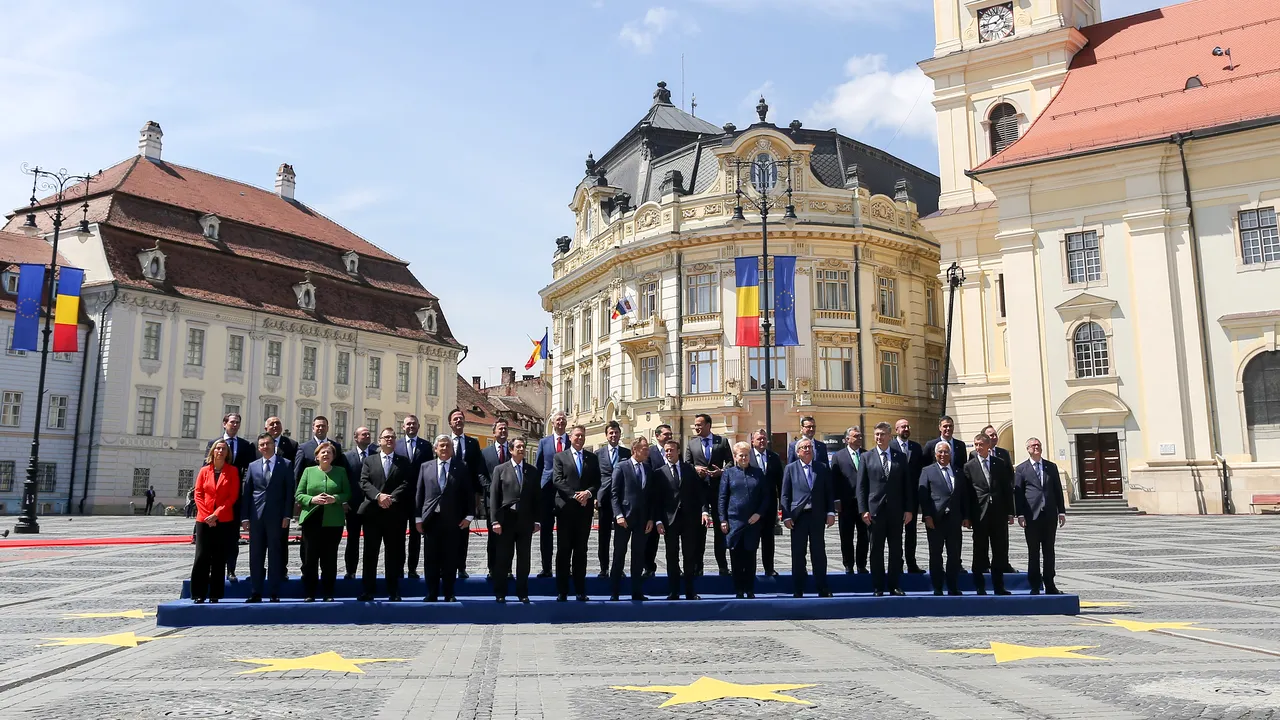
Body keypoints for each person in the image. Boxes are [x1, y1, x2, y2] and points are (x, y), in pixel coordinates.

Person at [416, 434, 475, 602]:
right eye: (441, 445)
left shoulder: (461, 467)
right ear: (435, 449)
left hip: (453, 520)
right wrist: (418, 519)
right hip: (431, 520)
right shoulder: (425, 467)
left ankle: (449, 593)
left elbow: (468, 494)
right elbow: (419, 495)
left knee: (450, 559)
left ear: (452, 449)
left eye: (447, 446)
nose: (444, 448)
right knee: (431, 559)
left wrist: (469, 516)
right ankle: (431, 593)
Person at [358, 428, 413, 602]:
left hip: (395, 513)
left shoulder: (403, 461)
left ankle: (393, 590)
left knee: (394, 554)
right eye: (386, 437)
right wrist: (378, 496)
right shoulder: (369, 460)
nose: (389, 440)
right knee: (370, 553)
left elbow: (406, 483)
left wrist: (391, 498)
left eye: (392, 437)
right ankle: (368, 590)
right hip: (373, 513)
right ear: (379, 440)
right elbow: (364, 482)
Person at [858, 422, 913, 597]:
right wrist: (863, 510)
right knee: (876, 550)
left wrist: (909, 509)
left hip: (896, 511)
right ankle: (878, 586)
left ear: (890, 436)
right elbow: (861, 487)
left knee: (896, 550)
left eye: (882, 434)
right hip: (875, 511)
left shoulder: (900, 457)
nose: (879, 437)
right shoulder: (867, 457)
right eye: (876, 434)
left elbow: (907, 485)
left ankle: (894, 585)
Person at [781, 437, 837, 598]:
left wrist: (831, 512)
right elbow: (785, 494)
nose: (807, 450)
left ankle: (822, 587)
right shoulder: (791, 468)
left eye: (809, 447)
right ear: (797, 452)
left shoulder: (822, 468)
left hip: (817, 516)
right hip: (798, 517)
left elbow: (829, 492)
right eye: (804, 448)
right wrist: (786, 516)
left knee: (818, 552)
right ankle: (798, 588)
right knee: (798, 554)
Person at [241, 433, 293, 603]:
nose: (265, 447)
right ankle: (255, 591)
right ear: (259, 447)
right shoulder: (253, 466)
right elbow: (247, 493)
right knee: (255, 555)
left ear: (274, 445)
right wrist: (245, 517)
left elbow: (289, 492)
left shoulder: (285, 464)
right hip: (256, 517)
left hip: (277, 517)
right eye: (262, 444)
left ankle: (273, 592)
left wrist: (287, 514)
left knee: (275, 555)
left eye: (268, 444)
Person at [296, 442, 350, 602]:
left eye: (329, 453)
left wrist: (336, 499)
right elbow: (299, 494)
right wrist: (312, 499)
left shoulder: (340, 472)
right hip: (311, 520)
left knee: (329, 558)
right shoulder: (308, 471)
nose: (326, 455)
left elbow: (347, 493)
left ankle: (328, 592)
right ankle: (310, 592)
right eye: (323, 453)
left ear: (333, 457)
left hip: (333, 521)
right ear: (317, 456)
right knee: (310, 558)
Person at [490, 437, 542, 603]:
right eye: (518, 447)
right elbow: (494, 497)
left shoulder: (532, 471)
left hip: (525, 520)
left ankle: (522, 592)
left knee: (524, 558)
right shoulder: (500, 469)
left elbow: (536, 497)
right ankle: (500, 593)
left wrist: (537, 520)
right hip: (506, 519)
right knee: (503, 557)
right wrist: (494, 521)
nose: (521, 449)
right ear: (511, 450)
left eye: (523, 447)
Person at [656, 439, 709, 600]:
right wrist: (658, 520)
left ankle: (690, 591)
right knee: (672, 556)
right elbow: (656, 500)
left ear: (678, 451)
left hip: (689, 519)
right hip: (669, 521)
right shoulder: (660, 472)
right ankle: (673, 591)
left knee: (689, 555)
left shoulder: (689, 469)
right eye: (666, 451)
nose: (669, 453)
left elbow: (699, 492)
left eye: (671, 450)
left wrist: (704, 511)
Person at [552, 424, 600, 602]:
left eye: (582, 436)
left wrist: (588, 493)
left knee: (581, 551)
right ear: (570, 437)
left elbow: (597, 481)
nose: (580, 438)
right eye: (577, 436)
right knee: (563, 551)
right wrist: (574, 496)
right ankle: (562, 591)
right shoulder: (560, 457)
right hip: (565, 509)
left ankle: (580, 590)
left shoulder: (591, 458)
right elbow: (557, 480)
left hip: (584, 511)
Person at [719, 442, 772, 599]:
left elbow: (766, 496)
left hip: (753, 522)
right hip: (734, 521)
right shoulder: (728, 473)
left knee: (750, 556)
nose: (743, 458)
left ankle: (750, 589)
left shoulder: (758, 473)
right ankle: (739, 590)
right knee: (736, 557)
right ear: (735, 457)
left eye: (746, 455)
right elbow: (722, 497)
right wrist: (723, 519)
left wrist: (759, 514)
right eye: (740, 455)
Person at [190, 439, 240, 604]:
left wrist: (217, 514)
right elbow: (198, 494)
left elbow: (232, 496)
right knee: (202, 556)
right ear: (212, 452)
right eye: (218, 448)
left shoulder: (232, 471)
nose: (220, 451)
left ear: (227, 453)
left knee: (219, 557)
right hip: (204, 520)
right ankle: (198, 593)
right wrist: (207, 516)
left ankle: (215, 594)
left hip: (224, 519)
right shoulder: (204, 471)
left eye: (224, 449)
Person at [965, 432, 1015, 595]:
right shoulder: (969, 466)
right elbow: (967, 493)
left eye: (981, 444)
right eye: (976, 444)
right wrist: (967, 516)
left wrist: (1010, 512)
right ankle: (979, 586)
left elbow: (1006, 488)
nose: (978, 448)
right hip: (979, 513)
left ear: (988, 446)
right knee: (980, 550)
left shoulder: (999, 463)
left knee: (999, 550)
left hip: (998, 514)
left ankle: (999, 586)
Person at [1014, 437, 1066, 595]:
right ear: (1028, 449)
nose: (1036, 447)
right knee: (1033, 552)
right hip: (1031, 515)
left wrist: (1061, 511)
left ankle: (1050, 583)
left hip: (1049, 515)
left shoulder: (1051, 466)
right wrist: (1020, 514)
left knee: (1049, 551)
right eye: (1033, 445)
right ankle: (1035, 585)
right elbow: (1018, 494)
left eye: (1038, 445)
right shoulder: (1021, 469)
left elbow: (1057, 489)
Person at [608, 436, 657, 601]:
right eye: (645, 448)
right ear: (635, 450)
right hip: (624, 519)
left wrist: (651, 518)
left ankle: (636, 591)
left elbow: (651, 497)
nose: (648, 451)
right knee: (619, 554)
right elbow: (614, 493)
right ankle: (614, 592)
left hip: (642, 520)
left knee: (638, 556)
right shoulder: (621, 467)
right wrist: (619, 515)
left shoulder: (648, 469)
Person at [685, 414, 732, 577]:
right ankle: (698, 566)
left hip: (719, 490)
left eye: (699, 424)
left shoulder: (722, 442)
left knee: (721, 530)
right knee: (699, 531)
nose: (696, 427)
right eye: (695, 425)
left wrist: (722, 472)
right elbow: (687, 465)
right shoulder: (692, 444)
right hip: (699, 492)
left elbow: (731, 462)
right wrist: (695, 470)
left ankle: (723, 566)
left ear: (708, 425)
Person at [918, 442, 968, 596]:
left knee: (954, 554)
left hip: (954, 520)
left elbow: (964, 497)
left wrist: (965, 516)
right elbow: (923, 495)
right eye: (940, 452)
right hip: (935, 519)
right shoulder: (927, 471)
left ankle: (952, 586)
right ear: (935, 454)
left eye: (946, 452)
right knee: (936, 554)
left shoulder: (958, 472)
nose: (943, 455)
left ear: (950, 454)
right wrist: (927, 516)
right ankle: (938, 587)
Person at [209, 413, 254, 583]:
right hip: (216, 499)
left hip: (235, 499)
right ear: (224, 424)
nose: (235, 425)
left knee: (232, 538)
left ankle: (231, 570)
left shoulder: (246, 446)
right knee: (214, 538)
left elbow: (249, 472)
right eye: (232, 422)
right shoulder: (214, 444)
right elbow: (208, 468)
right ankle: (214, 569)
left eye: (237, 423)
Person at [448, 409, 487, 580]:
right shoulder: (444, 442)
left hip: (467, 494)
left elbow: (478, 469)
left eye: (461, 419)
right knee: (447, 532)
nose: (458, 421)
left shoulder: (472, 443)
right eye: (455, 419)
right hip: (448, 494)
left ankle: (461, 567)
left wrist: (477, 494)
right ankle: (447, 566)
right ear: (450, 423)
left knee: (464, 532)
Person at [395, 415, 433, 580]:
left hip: (419, 497)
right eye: (408, 424)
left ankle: (412, 568)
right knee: (398, 535)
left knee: (416, 536)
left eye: (414, 424)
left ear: (418, 426)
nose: (411, 426)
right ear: (403, 427)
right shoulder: (396, 445)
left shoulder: (426, 446)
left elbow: (430, 471)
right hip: (400, 498)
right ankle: (398, 568)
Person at [535, 411, 569, 578]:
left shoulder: (571, 441)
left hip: (565, 492)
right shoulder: (544, 442)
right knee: (546, 532)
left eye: (563, 419)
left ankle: (565, 567)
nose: (560, 422)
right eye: (558, 420)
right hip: (546, 491)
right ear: (552, 423)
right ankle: (546, 567)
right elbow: (539, 466)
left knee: (566, 533)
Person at [830, 426, 868, 574]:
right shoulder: (838, 456)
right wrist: (836, 500)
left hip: (863, 503)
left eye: (859, 436)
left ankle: (861, 564)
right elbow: (834, 479)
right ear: (847, 439)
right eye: (855, 436)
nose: (859, 438)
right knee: (846, 535)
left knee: (864, 535)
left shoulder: (866, 454)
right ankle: (848, 564)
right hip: (846, 503)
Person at [594, 420, 630, 578]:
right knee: (604, 536)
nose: (614, 435)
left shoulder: (626, 453)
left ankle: (618, 567)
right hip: (604, 499)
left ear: (620, 434)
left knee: (620, 538)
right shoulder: (598, 454)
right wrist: (595, 496)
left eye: (616, 432)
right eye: (611, 433)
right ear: (606, 435)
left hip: (622, 500)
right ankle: (604, 568)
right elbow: (594, 478)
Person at [748, 430, 783, 577]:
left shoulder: (774, 457)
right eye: (759, 439)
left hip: (769, 506)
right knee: (752, 539)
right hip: (752, 506)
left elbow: (780, 482)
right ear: (752, 441)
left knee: (768, 538)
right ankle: (750, 570)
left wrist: (782, 504)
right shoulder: (746, 456)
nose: (762, 441)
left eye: (764, 439)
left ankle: (769, 568)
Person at [894, 419, 927, 575]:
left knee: (911, 532)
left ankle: (911, 563)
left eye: (908, 426)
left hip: (912, 497)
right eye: (902, 427)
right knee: (896, 533)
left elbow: (921, 471)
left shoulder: (916, 448)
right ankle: (897, 564)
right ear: (896, 430)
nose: (906, 429)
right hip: (895, 497)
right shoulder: (891, 446)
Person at [482, 419, 513, 580]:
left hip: (510, 502)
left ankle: (507, 568)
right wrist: (491, 489)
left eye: (505, 429)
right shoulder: (485, 453)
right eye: (500, 429)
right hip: (491, 502)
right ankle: (492, 568)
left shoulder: (513, 452)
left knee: (508, 537)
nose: (503, 431)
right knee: (493, 538)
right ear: (493, 433)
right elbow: (481, 474)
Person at [642, 424, 674, 576]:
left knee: (672, 537)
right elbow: (648, 474)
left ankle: (674, 567)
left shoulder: (674, 452)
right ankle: (649, 567)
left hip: (671, 501)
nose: (669, 436)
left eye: (670, 434)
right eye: (666, 434)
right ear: (657, 435)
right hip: (654, 500)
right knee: (651, 537)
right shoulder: (650, 453)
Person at [342, 426, 374, 579]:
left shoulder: (376, 455)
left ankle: (369, 572)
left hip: (371, 505)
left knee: (371, 541)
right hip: (353, 505)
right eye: (364, 434)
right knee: (352, 539)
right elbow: (343, 481)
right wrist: (344, 501)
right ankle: (350, 570)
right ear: (356, 438)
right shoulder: (346, 457)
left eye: (368, 433)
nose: (367, 435)